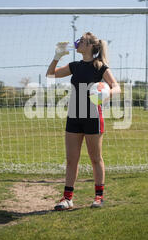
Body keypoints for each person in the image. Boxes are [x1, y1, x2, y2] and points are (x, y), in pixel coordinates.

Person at [46, 31, 120, 210]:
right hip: (74, 115)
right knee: (72, 159)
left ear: (90, 46)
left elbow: (116, 87)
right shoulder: (75, 66)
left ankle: (98, 197)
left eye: (82, 41)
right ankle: (67, 198)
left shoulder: (100, 66)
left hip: (93, 116)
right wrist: (56, 57)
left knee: (95, 158)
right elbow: (50, 75)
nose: (77, 42)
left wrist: (107, 92)